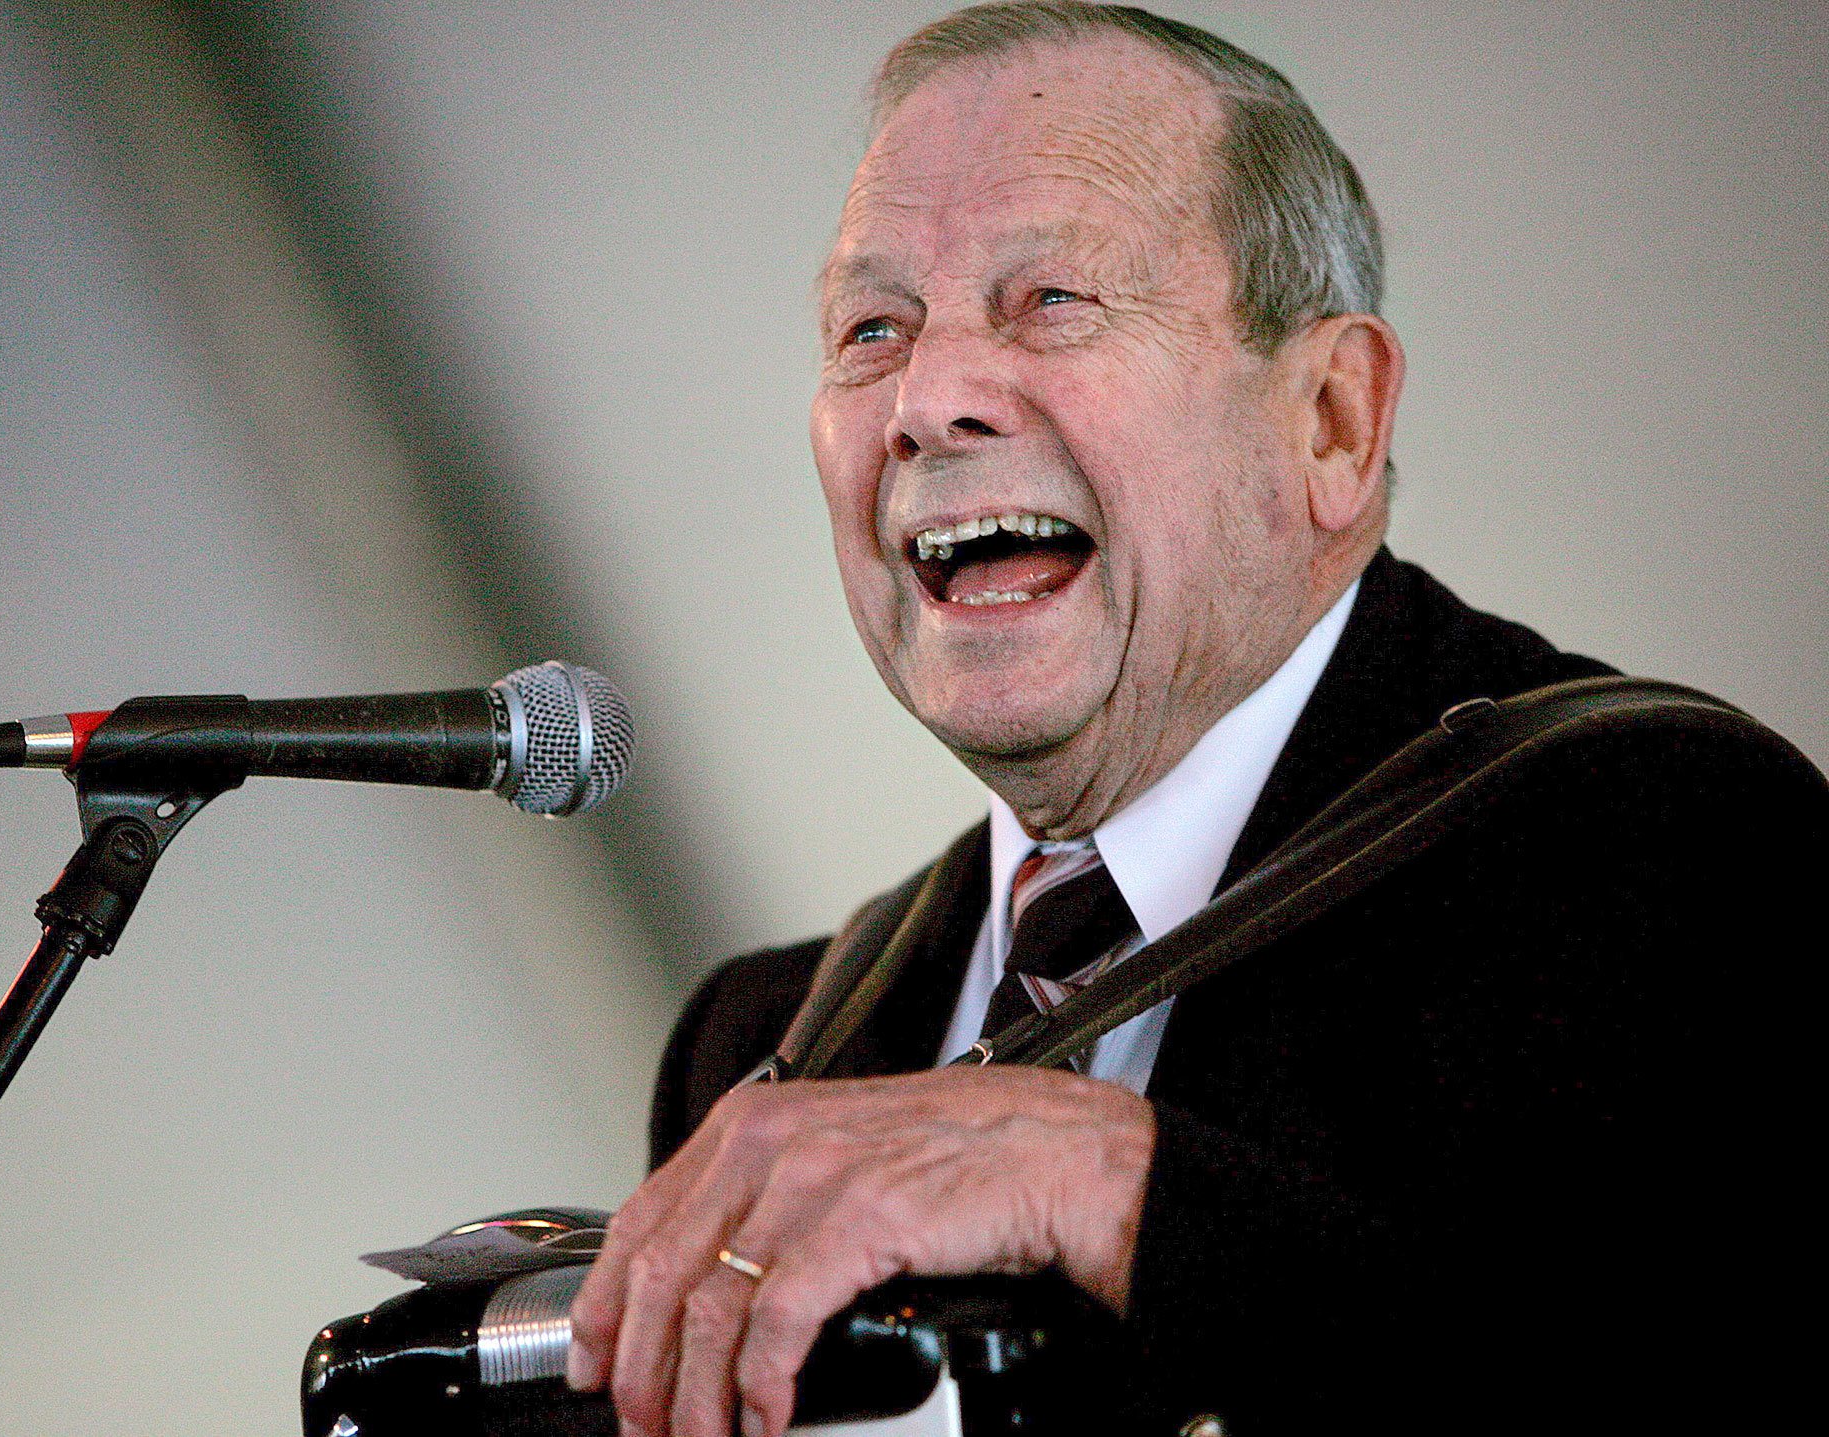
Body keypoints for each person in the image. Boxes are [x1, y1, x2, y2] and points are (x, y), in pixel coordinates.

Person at [563, 6, 1825, 1434]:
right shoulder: (762, 1044)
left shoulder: (1671, 856)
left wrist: (1110, 1183)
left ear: (1333, 420)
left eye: (1054, 301)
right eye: (872, 329)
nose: (925, 402)